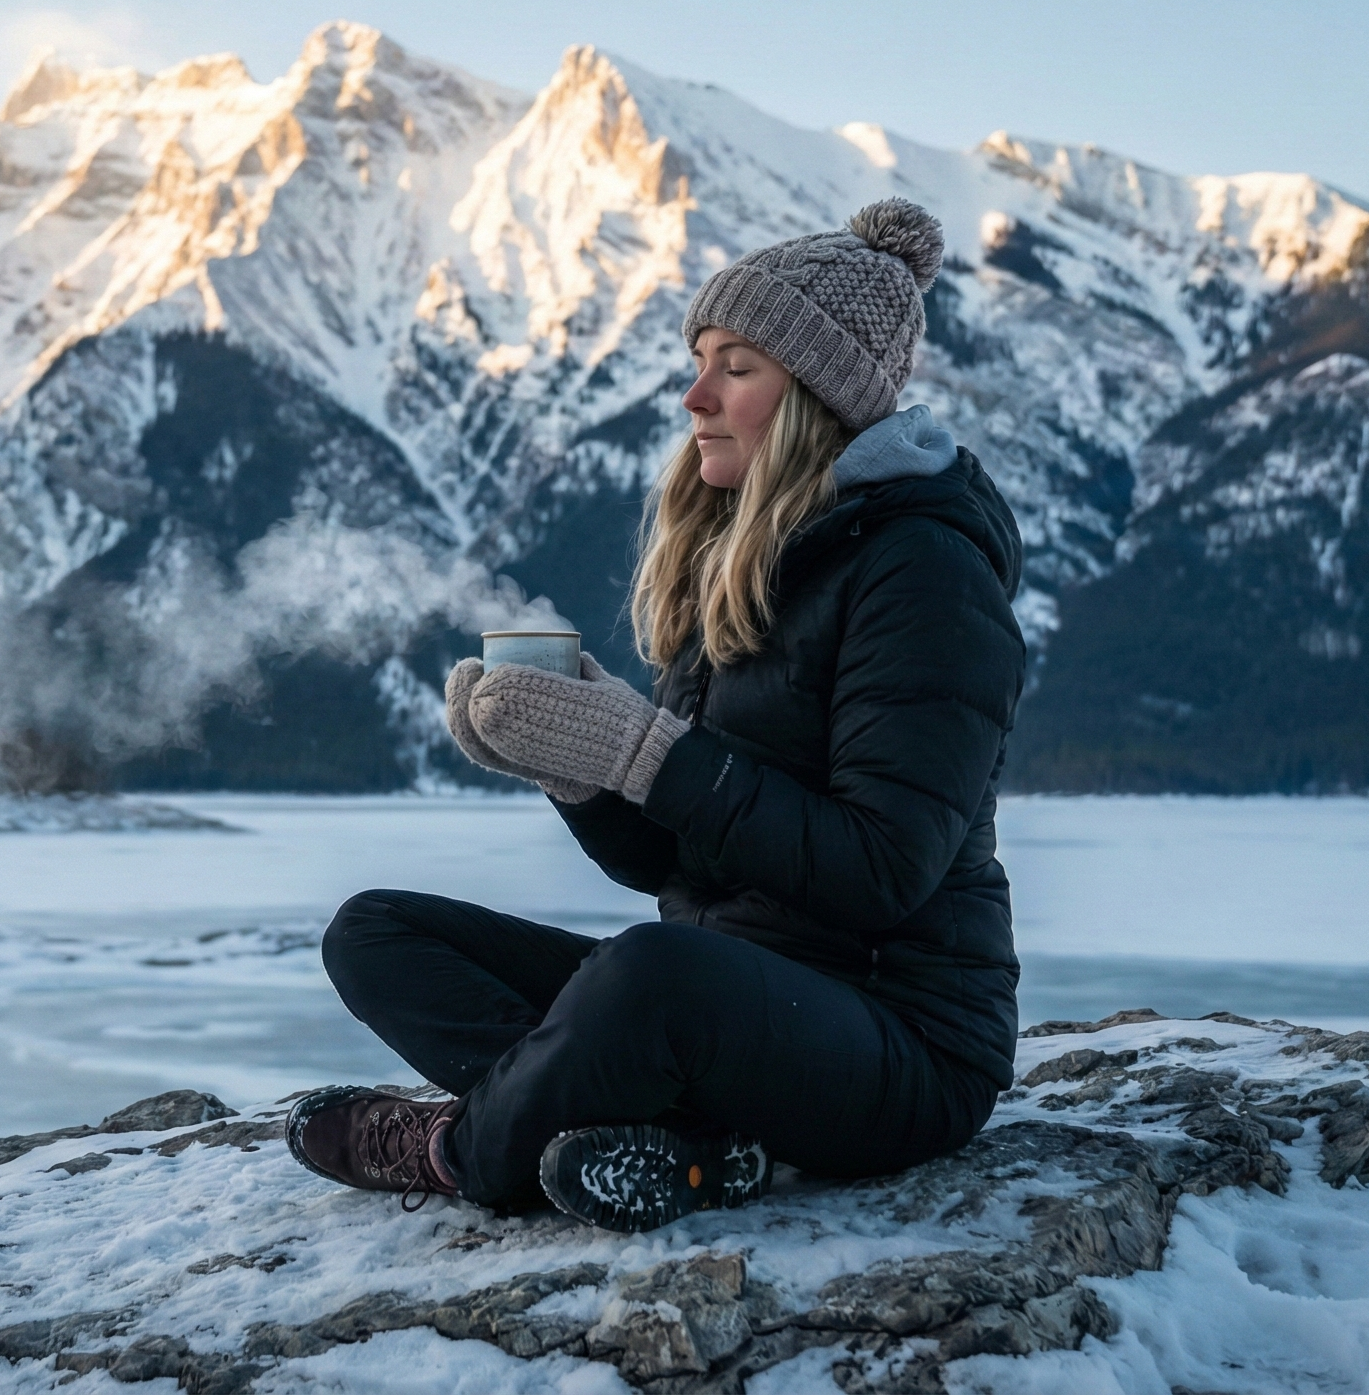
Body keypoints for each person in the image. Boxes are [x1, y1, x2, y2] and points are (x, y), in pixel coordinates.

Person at [285, 198, 1026, 1233]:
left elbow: (878, 872)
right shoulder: (734, 557)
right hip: (729, 1003)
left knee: (648, 973)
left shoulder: (924, 576)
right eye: (699, 361)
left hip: (899, 1046)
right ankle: (687, 1144)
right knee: (375, 931)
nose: (693, 396)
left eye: (735, 366)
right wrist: (572, 767)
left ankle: (463, 1150)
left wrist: (644, 750)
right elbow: (669, 866)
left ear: (814, 395)